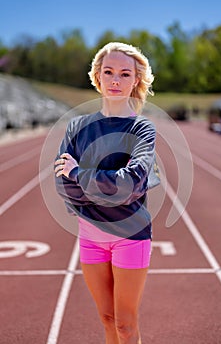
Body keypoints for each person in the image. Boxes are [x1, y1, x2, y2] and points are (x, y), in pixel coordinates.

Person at [54, 42, 160, 344]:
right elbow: (62, 187)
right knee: (107, 320)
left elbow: (131, 184)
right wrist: (108, 186)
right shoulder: (77, 127)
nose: (116, 80)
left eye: (125, 74)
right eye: (109, 72)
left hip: (131, 235)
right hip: (90, 235)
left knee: (126, 325)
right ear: (97, 76)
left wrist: (78, 173)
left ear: (136, 80)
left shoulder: (142, 130)